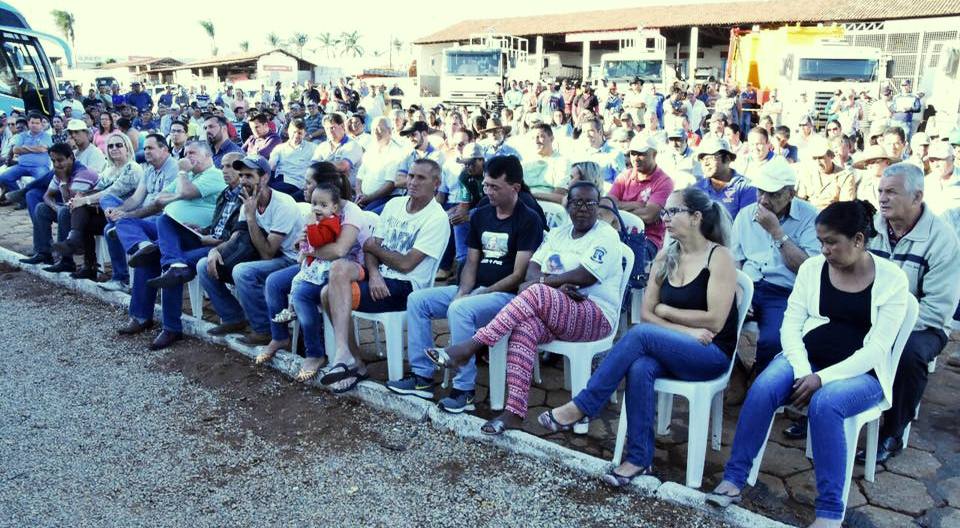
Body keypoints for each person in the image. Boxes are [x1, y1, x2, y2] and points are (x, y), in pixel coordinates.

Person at [708, 200, 910, 528]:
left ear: (858, 240)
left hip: (863, 374)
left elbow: (877, 350)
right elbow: (791, 324)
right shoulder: (813, 268)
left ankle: (829, 513)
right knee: (763, 387)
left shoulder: (892, 279)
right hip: (806, 359)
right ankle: (734, 477)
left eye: (832, 242)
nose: (824, 250)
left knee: (826, 404)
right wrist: (804, 371)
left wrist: (821, 379)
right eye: (820, 242)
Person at [540, 187, 738, 485]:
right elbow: (647, 313)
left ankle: (584, 405)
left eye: (673, 211)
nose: (665, 217)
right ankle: (638, 460)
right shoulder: (666, 255)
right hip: (682, 343)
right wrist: (686, 329)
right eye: (665, 211)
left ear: (696, 217)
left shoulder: (718, 256)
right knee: (640, 365)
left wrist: (666, 311)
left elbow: (715, 320)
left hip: (710, 354)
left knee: (641, 335)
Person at [425, 181, 623, 434]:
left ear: (598, 207)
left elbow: (585, 276)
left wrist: (547, 284)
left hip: (595, 314)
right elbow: (532, 270)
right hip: (556, 311)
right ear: (568, 205)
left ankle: (471, 346)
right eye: (577, 202)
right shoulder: (559, 234)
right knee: (524, 327)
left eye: (590, 203)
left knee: (537, 291)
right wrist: (553, 286)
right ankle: (514, 413)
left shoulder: (606, 235)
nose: (583, 208)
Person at [387, 155, 544, 412]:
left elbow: (519, 275)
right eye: (486, 185)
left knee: (461, 310)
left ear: (515, 188)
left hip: (507, 297)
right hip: (475, 290)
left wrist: (481, 292)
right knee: (418, 300)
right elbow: (471, 262)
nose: (488, 191)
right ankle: (422, 377)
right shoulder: (481, 213)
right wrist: (463, 291)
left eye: (495, 187)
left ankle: (465, 390)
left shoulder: (528, 219)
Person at [319, 159, 450, 393]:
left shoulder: (436, 218)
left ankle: (353, 362)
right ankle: (345, 355)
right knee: (338, 267)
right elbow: (370, 248)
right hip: (380, 279)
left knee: (329, 294)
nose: (413, 182)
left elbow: (406, 264)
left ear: (436, 183)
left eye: (421, 178)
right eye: (411, 176)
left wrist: (375, 249)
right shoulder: (394, 205)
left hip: (406, 286)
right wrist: (374, 273)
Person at [858, 163, 960, 463]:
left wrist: (888, 328)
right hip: (869, 316)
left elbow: (938, 308)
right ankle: (821, 409)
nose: (882, 198)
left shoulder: (942, 239)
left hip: (922, 325)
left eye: (892, 192)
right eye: (880, 191)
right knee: (829, 333)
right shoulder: (870, 227)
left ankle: (893, 431)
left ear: (917, 197)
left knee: (908, 354)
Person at [115, 143, 230, 347]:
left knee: (167, 248)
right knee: (133, 232)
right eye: (185, 153)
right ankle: (141, 315)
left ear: (207, 155)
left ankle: (170, 328)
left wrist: (182, 174)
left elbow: (186, 192)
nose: (187, 156)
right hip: (175, 234)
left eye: (192, 152)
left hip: (198, 237)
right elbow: (159, 199)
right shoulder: (188, 177)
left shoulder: (213, 174)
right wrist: (178, 194)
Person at [261, 162, 367, 380]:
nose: (304, 186)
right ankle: (280, 337)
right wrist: (302, 244)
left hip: (343, 269)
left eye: (309, 182)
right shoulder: (316, 211)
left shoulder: (350, 212)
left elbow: (339, 250)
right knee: (274, 282)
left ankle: (315, 352)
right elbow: (305, 246)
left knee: (302, 294)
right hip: (316, 265)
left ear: (324, 187)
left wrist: (309, 247)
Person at [197, 155, 304, 346]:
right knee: (204, 264)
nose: (243, 181)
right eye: (241, 176)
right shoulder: (249, 201)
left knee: (243, 272)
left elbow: (267, 253)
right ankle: (233, 318)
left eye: (249, 176)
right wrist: (216, 251)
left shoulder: (283, 204)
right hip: (268, 253)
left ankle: (264, 330)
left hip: (292, 259)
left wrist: (251, 216)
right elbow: (237, 236)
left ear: (265, 177)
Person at [732, 157, 819, 378]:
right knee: (714, 325)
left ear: (791, 194)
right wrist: (738, 289)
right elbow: (734, 259)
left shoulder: (810, 217)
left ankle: (761, 383)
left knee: (774, 340)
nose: (764, 200)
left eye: (773, 194)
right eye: (760, 191)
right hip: (748, 284)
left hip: (783, 291)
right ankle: (737, 375)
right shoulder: (746, 214)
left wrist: (777, 232)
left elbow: (808, 268)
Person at [53, 132, 144, 279]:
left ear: (127, 148)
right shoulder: (109, 169)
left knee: (82, 210)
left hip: (124, 215)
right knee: (80, 217)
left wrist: (85, 200)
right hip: (106, 213)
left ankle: (76, 244)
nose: (114, 148)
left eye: (119, 145)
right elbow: (97, 188)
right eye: (110, 146)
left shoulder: (132, 168)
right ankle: (89, 265)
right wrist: (81, 196)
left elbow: (112, 191)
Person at [19, 143, 99, 270]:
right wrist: (55, 207)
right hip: (72, 210)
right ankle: (43, 253)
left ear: (71, 158)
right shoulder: (62, 171)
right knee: (41, 208)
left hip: (88, 214)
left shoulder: (83, 173)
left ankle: (66, 261)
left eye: (60, 160)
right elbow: (47, 196)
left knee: (64, 211)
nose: (56, 164)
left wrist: (64, 180)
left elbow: (73, 202)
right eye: (53, 161)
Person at [608, 136, 673, 258]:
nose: (636, 158)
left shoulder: (664, 182)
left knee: (624, 257)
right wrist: (636, 205)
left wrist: (618, 209)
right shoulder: (624, 176)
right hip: (618, 234)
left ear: (654, 154)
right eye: (633, 153)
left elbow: (649, 216)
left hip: (647, 239)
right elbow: (607, 206)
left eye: (641, 154)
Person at [694, 137, 756, 219]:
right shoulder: (697, 189)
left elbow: (747, 222)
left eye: (710, 158)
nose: (705, 163)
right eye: (702, 159)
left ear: (727, 159)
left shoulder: (745, 187)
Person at [0, 112, 51, 206]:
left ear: (41, 124)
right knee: (3, 177)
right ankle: (22, 199)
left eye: (37, 123)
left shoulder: (46, 136)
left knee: (43, 178)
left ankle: (37, 200)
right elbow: (15, 150)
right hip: (22, 166)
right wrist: (35, 148)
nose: (34, 125)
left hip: (40, 167)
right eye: (32, 123)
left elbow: (42, 149)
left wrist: (24, 147)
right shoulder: (22, 136)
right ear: (28, 123)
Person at [356, 116, 403, 213]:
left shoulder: (396, 152)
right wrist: (359, 194)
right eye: (373, 130)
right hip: (364, 198)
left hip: (385, 198)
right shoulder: (371, 149)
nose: (376, 132)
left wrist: (368, 199)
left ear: (389, 131)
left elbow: (390, 185)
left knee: (365, 216)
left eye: (379, 129)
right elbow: (359, 177)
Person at [797, 139, 857, 210]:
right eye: (814, 158)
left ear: (831, 156)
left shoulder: (845, 176)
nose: (818, 162)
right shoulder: (807, 174)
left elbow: (845, 207)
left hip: (833, 214)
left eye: (821, 158)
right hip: (809, 213)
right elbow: (800, 200)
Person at [268, 118, 316, 200]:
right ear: (288, 131)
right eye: (294, 132)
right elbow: (271, 166)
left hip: (300, 184)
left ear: (305, 133)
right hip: (282, 180)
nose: (296, 135)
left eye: (300, 133)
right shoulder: (279, 148)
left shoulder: (313, 148)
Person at [311, 112, 364, 186]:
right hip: (324, 186)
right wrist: (334, 167)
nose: (329, 131)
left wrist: (321, 165)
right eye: (326, 129)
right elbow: (312, 166)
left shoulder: (353, 145)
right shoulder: (322, 146)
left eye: (332, 128)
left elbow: (342, 166)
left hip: (346, 188)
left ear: (342, 126)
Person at [395, 120, 445, 194]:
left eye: (413, 135)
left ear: (424, 134)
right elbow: (398, 182)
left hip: (427, 199)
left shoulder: (437, 156)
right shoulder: (408, 155)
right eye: (408, 136)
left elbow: (429, 183)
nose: (410, 139)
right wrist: (420, 179)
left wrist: (408, 179)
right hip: (407, 198)